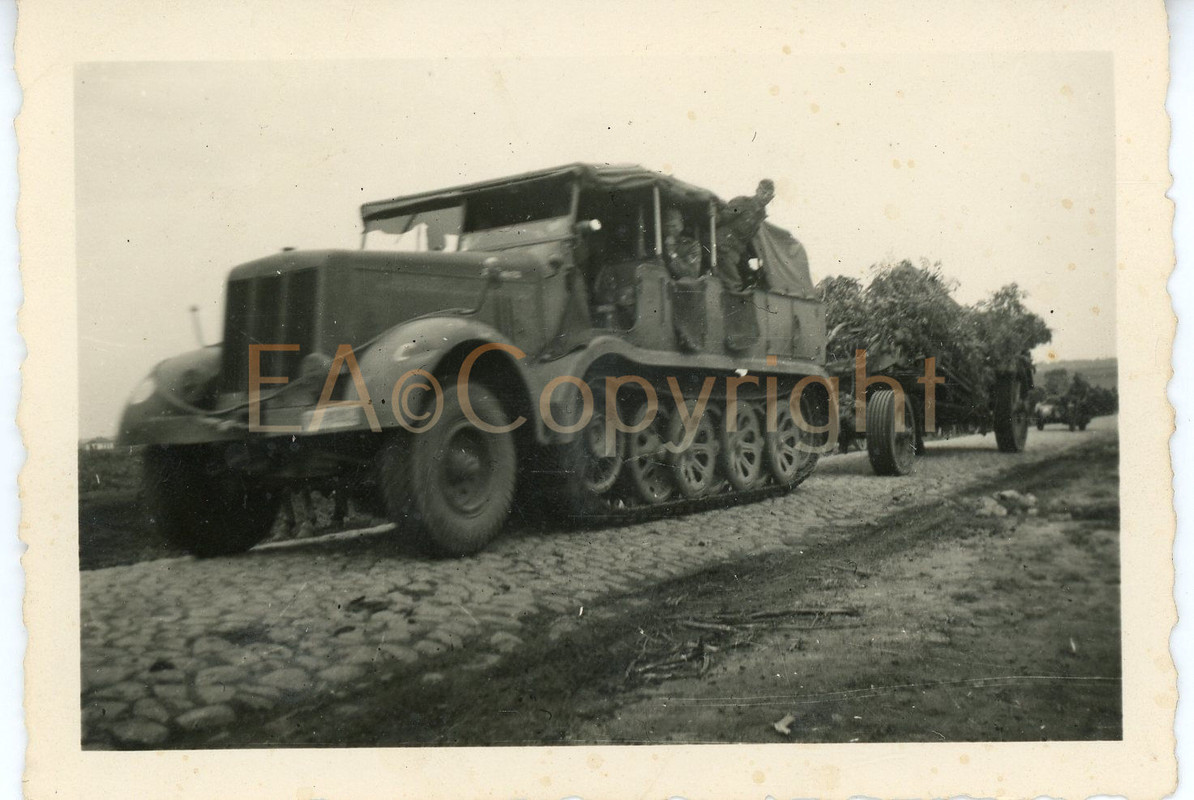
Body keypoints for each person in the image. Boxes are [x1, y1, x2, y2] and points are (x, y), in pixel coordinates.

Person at [715, 179, 775, 289]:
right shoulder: (743, 203)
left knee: (752, 278)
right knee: (734, 282)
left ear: (772, 198)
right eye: (763, 192)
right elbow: (722, 218)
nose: (765, 197)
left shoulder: (761, 214)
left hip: (738, 250)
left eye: (769, 195)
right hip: (723, 245)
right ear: (757, 190)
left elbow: (749, 237)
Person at [661, 207, 703, 279]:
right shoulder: (658, 245)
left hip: (682, 288)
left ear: (681, 226)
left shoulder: (691, 245)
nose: (670, 230)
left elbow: (692, 274)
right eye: (667, 226)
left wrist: (672, 254)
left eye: (673, 226)